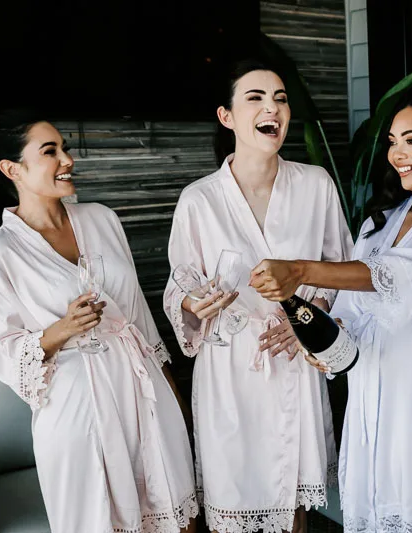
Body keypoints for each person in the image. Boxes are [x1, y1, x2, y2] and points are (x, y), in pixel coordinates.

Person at [249, 89, 412, 533]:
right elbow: (349, 309)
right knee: (377, 499)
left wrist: (299, 269)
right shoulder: (378, 222)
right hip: (375, 376)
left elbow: (399, 274)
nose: (397, 154)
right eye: (392, 141)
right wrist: (326, 343)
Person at [0, 110, 198, 532]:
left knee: (178, 517)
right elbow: (2, 353)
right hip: (77, 410)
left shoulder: (102, 219)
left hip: (142, 391)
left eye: (66, 148)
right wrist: (61, 330)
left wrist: (175, 401)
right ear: (12, 169)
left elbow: (140, 320)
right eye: (50, 151)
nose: (67, 160)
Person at [162, 58, 353, 533]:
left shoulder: (315, 184)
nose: (273, 108)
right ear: (226, 117)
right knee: (235, 496)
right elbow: (179, 285)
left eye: (281, 99)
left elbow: (343, 272)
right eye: (256, 98)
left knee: (295, 505)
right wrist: (193, 303)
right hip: (231, 365)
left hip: (293, 352)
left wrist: (306, 316)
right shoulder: (199, 199)